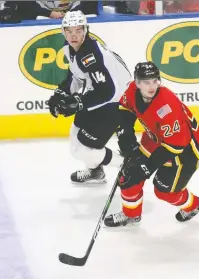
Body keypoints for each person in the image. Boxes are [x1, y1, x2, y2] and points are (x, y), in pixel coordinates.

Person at [104, 61, 199, 227]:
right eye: (146, 82)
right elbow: (124, 108)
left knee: (164, 192)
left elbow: (175, 145)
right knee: (129, 174)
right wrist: (125, 135)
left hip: (184, 152)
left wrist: (146, 168)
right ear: (137, 83)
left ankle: (195, 205)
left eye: (155, 81)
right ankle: (131, 215)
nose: (152, 86)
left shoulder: (167, 105)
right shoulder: (132, 90)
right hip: (155, 139)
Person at [48, 10, 132, 184]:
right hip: (99, 97)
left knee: (83, 148)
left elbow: (107, 90)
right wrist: (61, 93)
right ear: (63, 31)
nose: (74, 35)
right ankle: (95, 171)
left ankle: (127, 166)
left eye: (78, 30)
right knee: (76, 134)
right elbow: (75, 76)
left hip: (117, 102)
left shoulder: (90, 54)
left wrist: (79, 103)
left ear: (85, 30)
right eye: (69, 31)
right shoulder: (69, 48)